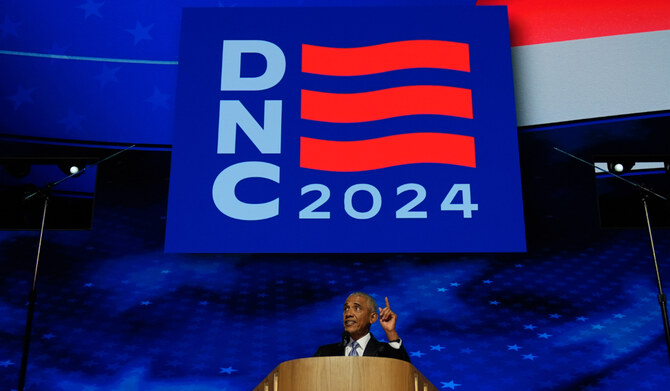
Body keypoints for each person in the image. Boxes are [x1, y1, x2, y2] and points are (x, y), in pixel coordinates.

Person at [314, 292, 411, 362]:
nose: (348, 313)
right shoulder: (324, 353)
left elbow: (405, 373)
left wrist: (390, 331)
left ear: (372, 317)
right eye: (346, 308)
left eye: (356, 308)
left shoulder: (385, 352)